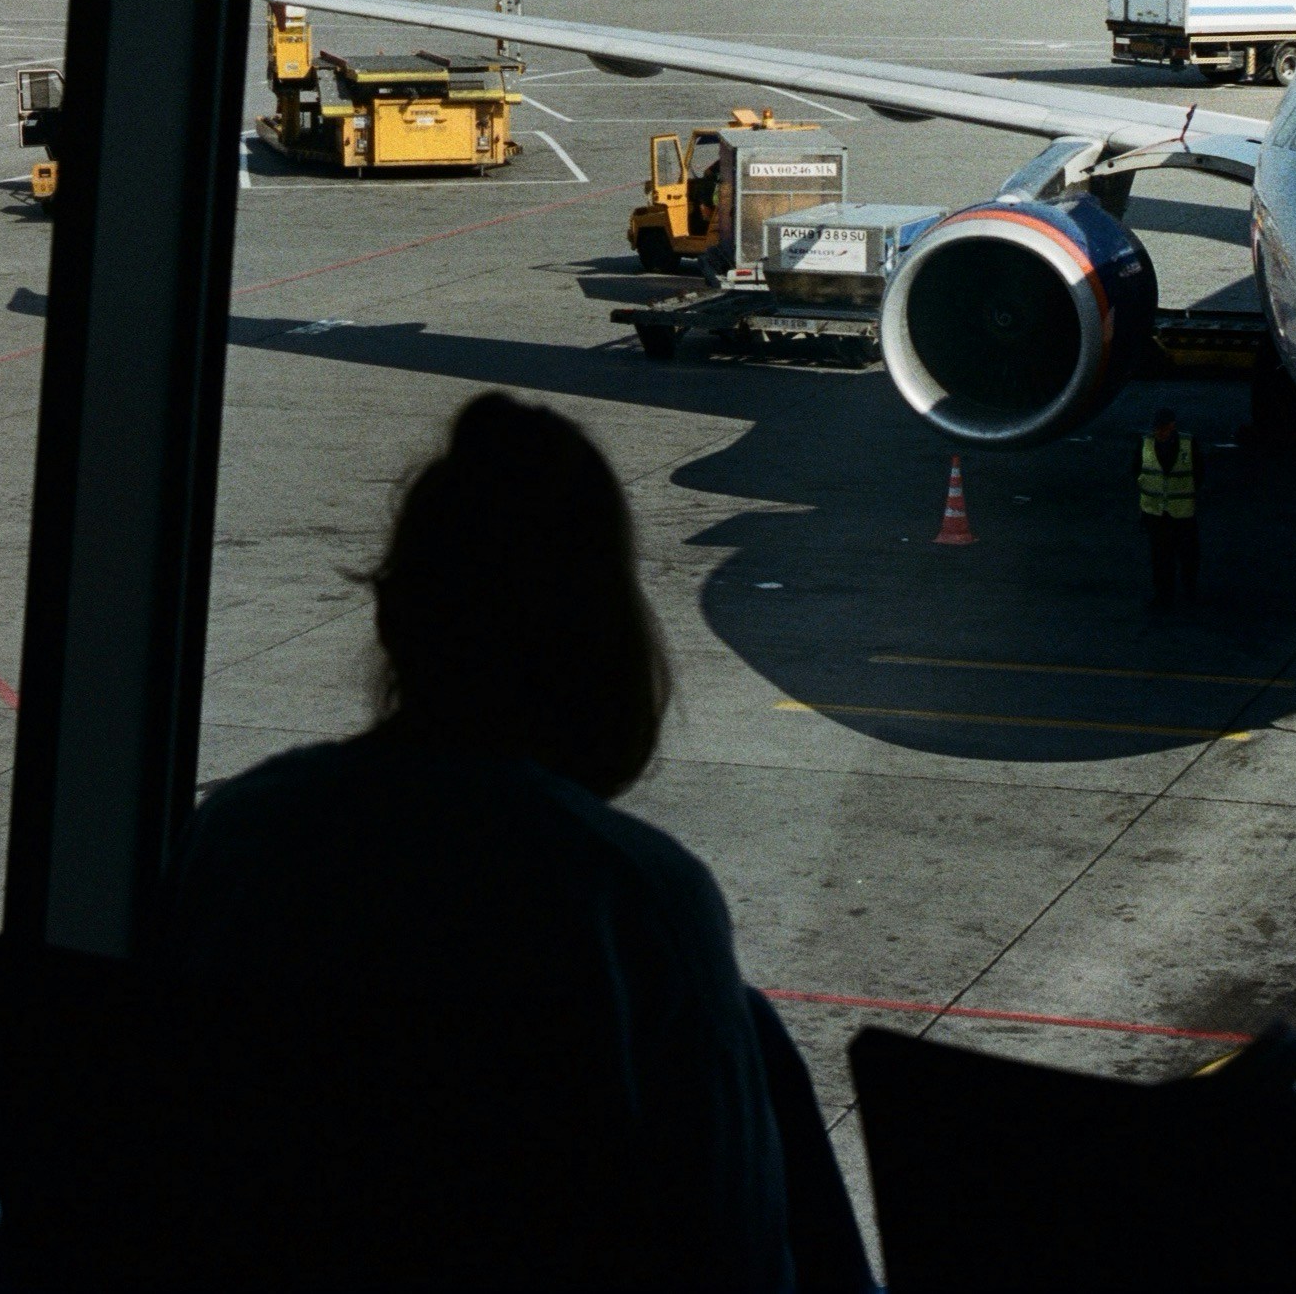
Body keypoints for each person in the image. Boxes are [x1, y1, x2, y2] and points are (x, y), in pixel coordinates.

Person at [163, 394, 854, 1292]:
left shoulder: (242, 832)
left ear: (395, 619)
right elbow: (735, 1258)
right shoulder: (631, 899)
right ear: (603, 640)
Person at [1139, 405, 1200, 608]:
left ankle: (1188, 593)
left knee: (1186, 557)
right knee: (1161, 559)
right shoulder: (1145, 444)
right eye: (1157, 429)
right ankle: (1164, 596)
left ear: (1172, 427)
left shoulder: (1188, 444)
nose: (1159, 433)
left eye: (1163, 428)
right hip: (1157, 514)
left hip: (1181, 513)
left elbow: (1199, 473)